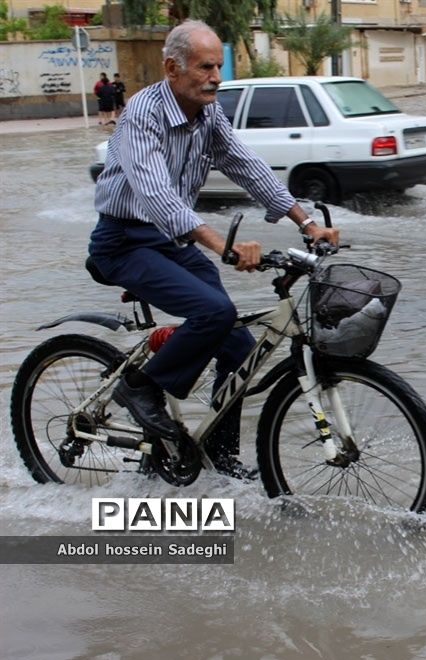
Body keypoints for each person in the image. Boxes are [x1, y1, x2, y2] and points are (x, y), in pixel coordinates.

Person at [89, 20, 339, 478]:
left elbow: (245, 164)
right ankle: (138, 388)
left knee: (238, 347)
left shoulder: (208, 114)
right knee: (213, 312)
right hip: (124, 241)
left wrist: (304, 221)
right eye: (205, 67)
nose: (216, 77)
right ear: (172, 68)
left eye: (218, 67)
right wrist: (220, 245)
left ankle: (220, 459)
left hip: (171, 240)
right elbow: (155, 193)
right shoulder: (142, 112)